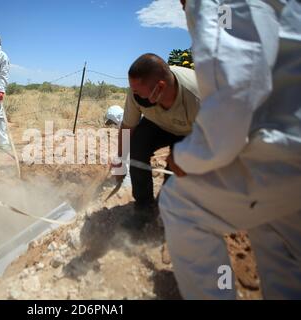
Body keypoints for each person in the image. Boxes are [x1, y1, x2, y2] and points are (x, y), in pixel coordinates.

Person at [159, 0, 301, 299]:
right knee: (275, 230)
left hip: (284, 150)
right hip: (289, 141)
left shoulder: (218, 5)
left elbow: (233, 98)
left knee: (181, 205)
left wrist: (185, 157)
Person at [113, 53, 200, 224]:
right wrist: (120, 159)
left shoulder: (197, 98)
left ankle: (166, 207)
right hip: (157, 124)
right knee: (137, 145)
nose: (133, 94)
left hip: (191, 132)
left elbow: (214, 140)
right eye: (133, 89)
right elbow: (128, 127)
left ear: (160, 88)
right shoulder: (135, 92)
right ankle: (144, 207)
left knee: (177, 167)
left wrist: (184, 157)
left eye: (138, 91)